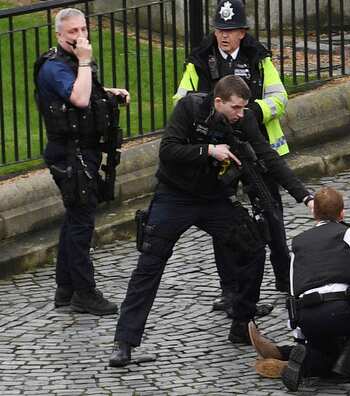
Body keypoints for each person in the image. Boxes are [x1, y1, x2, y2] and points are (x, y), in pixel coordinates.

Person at [108, 75, 312, 367]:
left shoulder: (244, 120)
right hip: (174, 195)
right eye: (236, 108)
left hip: (215, 198)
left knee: (254, 245)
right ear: (218, 102)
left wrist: (305, 197)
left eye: (244, 108)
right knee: (150, 264)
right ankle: (124, 342)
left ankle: (242, 323)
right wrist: (208, 150)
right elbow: (168, 150)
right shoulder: (189, 109)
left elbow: (269, 158)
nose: (241, 114)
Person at [174, 0, 293, 316]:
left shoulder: (258, 58)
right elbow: (182, 100)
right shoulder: (201, 60)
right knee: (222, 222)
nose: (223, 36)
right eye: (219, 30)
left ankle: (286, 278)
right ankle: (229, 289)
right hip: (220, 154)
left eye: (230, 30)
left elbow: (279, 98)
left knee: (272, 214)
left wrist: (252, 112)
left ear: (242, 32)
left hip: (257, 150)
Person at [34, 8, 129, 316]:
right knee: (81, 223)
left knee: (75, 217)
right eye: (72, 32)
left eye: (83, 29)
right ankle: (84, 293)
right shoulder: (55, 67)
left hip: (82, 152)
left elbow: (88, 92)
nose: (79, 36)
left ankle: (65, 289)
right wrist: (86, 61)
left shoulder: (75, 61)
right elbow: (78, 99)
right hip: (70, 155)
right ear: (59, 35)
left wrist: (111, 93)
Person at [279, 187, 350, 391]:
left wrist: (299, 335)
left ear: (313, 213)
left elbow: (292, 288)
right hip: (341, 309)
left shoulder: (298, 243)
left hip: (307, 317)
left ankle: (307, 359)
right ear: (342, 213)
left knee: (326, 352)